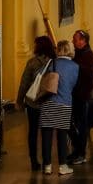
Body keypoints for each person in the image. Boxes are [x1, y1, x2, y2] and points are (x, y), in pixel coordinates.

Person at [40, 40, 79, 175]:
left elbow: (42, 79)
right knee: (62, 135)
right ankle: (62, 166)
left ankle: (47, 166)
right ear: (69, 50)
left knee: (46, 135)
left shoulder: (51, 63)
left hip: (48, 101)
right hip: (64, 103)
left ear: (58, 50)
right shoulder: (75, 67)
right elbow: (73, 85)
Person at [16, 36, 55, 171]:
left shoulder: (32, 63)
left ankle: (34, 160)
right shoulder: (54, 63)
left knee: (32, 132)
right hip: (48, 101)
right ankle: (47, 161)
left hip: (33, 102)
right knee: (47, 132)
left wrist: (19, 101)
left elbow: (24, 83)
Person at [67, 29, 93, 165]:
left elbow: (91, 79)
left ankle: (81, 153)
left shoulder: (88, 56)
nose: (73, 42)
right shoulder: (79, 54)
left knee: (81, 125)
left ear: (83, 41)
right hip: (74, 95)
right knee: (70, 124)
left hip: (82, 97)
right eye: (73, 39)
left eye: (75, 39)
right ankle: (77, 149)